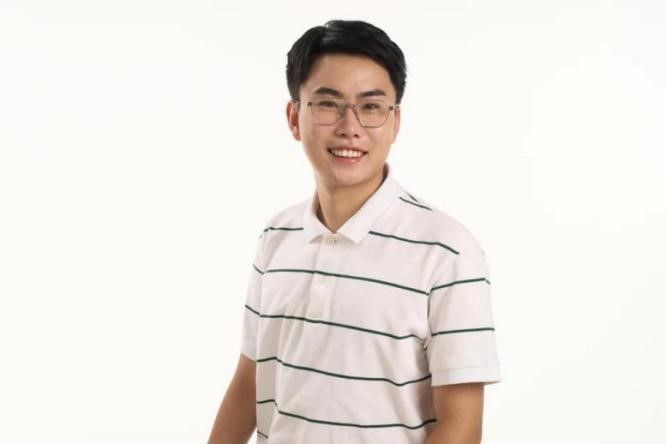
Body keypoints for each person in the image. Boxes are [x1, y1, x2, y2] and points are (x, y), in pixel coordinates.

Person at [208, 19, 501, 444]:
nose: (350, 127)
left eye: (371, 107)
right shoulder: (276, 237)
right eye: (328, 104)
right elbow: (248, 384)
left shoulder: (448, 251)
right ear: (294, 117)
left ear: (395, 121)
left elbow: (461, 429)